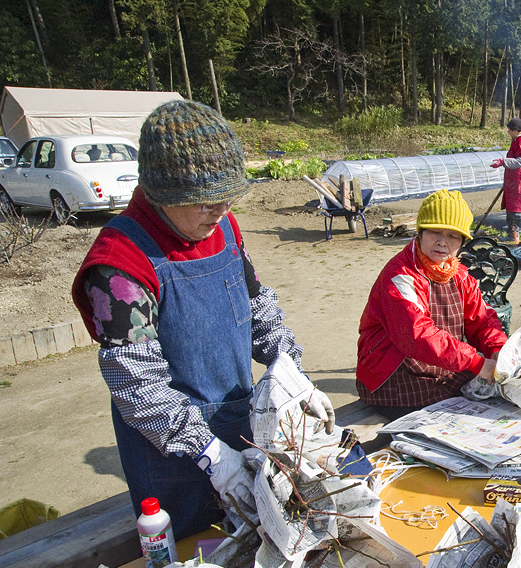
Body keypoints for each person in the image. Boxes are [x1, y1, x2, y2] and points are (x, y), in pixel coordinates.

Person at [72, 100, 335, 539]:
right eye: (206, 203)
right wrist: (210, 454)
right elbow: (138, 386)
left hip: (239, 422)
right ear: (162, 195)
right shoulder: (119, 264)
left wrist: (291, 373)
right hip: (171, 454)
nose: (220, 212)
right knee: (198, 551)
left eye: (227, 200)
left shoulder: (224, 229)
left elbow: (256, 309)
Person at [356, 189, 508, 420]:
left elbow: (483, 320)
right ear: (420, 233)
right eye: (434, 232)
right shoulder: (400, 276)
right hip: (395, 374)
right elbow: (418, 334)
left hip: (440, 366)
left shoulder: (459, 275)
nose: (442, 243)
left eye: (452, 236)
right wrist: (476, 362)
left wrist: (498, 351)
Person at [490, 117, 521, 244]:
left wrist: (503, 162)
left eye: (509, 130)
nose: (508, 133)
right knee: (510, 209)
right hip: (514, 180)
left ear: (516, 130)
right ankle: (513, 235)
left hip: (519, 180)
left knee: (516, 211)